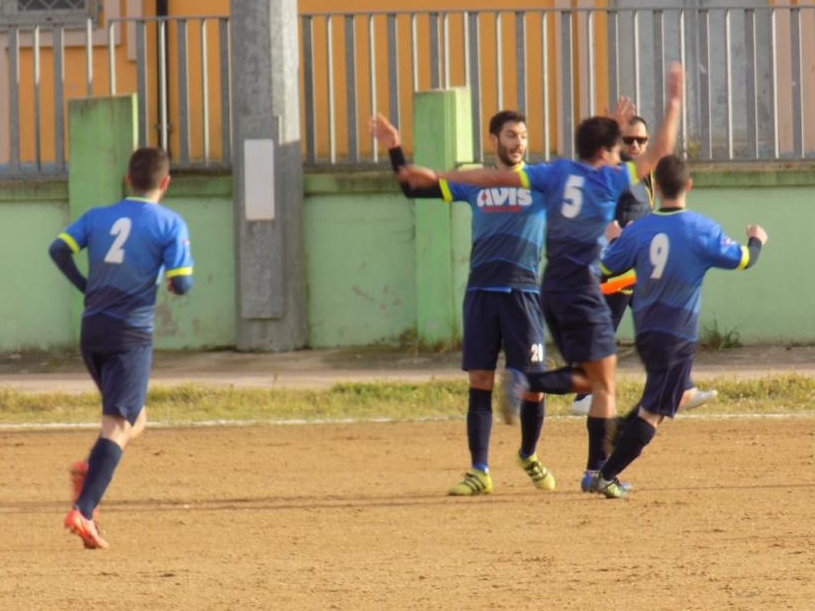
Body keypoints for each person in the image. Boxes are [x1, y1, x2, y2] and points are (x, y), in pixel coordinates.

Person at [399, 64, 684, 489]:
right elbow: (659, 151)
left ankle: (584, 465)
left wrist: (440, 175)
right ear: (608, 151)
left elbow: (489, 177)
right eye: (619, 145)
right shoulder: (607, 179)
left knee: (595, 379)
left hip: (549, 286)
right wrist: (674, 101)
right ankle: (590, 465)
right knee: (599, 381)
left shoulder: (552, 172)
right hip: (583, 287)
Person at [369, 111, 555, 496]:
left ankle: (528, 453)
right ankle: (479, 470)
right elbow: (412, 189)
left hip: (523, 292)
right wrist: (394, 148)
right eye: (510, 135)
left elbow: (589, 186)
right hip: (482, 292)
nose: (518, 142)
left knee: (534, 384)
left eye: (522, 135)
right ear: (494, 140)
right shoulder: (477, 183)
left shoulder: (541, 181)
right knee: (480, 380)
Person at [587, 154, 767, 498]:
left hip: (647, 333)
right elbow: (745, 259)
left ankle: (616, 438)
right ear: (688, 185)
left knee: (669, 397)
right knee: (653, 414)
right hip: (678, 336)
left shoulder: (638, 230)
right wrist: (757, 239)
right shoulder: (700, 228)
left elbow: (605, 270)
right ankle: (606, 473)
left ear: (655, 185)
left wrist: (615, 240)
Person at [49, 147, 194, 548]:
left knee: (136, 418)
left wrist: (86, 287)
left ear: (128, 179)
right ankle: (84, 509)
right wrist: (171, 281)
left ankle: (91, 466)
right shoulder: (168, 223)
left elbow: (57, 249)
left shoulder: (98, 217)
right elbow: (182, 283)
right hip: (129, 336)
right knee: (117, 425)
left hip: (91, 331)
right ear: (165, 183)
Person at [570, 115, 718, 416]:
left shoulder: (647, 175)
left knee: (661, 321)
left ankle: (682, 388)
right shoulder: (613, 172)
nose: (636, 145)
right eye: (629, 140)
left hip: (638, 266)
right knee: (603, 327)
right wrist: (608, 232)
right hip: (615, 262)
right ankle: (583, 395)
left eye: (641, 140)